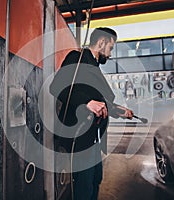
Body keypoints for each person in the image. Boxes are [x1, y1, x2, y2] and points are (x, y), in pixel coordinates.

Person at [50, 27, 133, 200]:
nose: (110, 54)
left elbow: (100, 102)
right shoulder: (77, 58)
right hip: (80, 139)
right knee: (84, 187)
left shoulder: (94, 68)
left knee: (96, 180)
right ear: (101, 43)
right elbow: (57, 86)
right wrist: (87, 102)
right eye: (110, 48)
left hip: (94, 138)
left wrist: (119, 110)